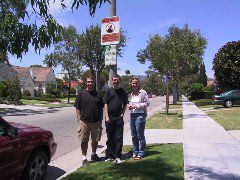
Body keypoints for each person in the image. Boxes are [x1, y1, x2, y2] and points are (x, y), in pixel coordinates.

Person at [74, 76, 103, 166]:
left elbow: (101, 108)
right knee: (84, 140)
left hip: (96, 122)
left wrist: (101, 120)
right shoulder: (81, 94)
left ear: (93, 83)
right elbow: (77, 108)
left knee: (95, 139)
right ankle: (84, 157)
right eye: (88, 82)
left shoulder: (98, 94)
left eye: (91, 82)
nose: (90, 83)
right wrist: (79, 119)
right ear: (86, 83)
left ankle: (94, 154)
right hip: (84, 122)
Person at [104, 75, 128, 163]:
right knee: (110, 137)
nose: (115, 81)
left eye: (117, 80)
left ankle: (118, 156)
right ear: (112, 81)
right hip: (109, 117)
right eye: (114, 80)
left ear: (119, 81)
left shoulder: (123, 91)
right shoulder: (108, 91)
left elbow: (125, 103)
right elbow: (105, 104)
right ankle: (110, 155)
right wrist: (106, 116)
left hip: (118, 118)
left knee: (118, 137)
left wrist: (122, 113)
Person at [129, 77, 150, 160]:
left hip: (140, 115)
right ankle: (135, 151)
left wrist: (137, 106)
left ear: (139, 84)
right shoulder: (131, 94)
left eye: (136, 83)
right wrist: (130, 106)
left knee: (140, 135)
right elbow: (130, 103)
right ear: (131, 84)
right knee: (133, 135)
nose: (135, 84)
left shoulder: (143, 92)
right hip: (132, 115)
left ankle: (141, 152)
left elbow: (147, 103)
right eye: (133, 83)